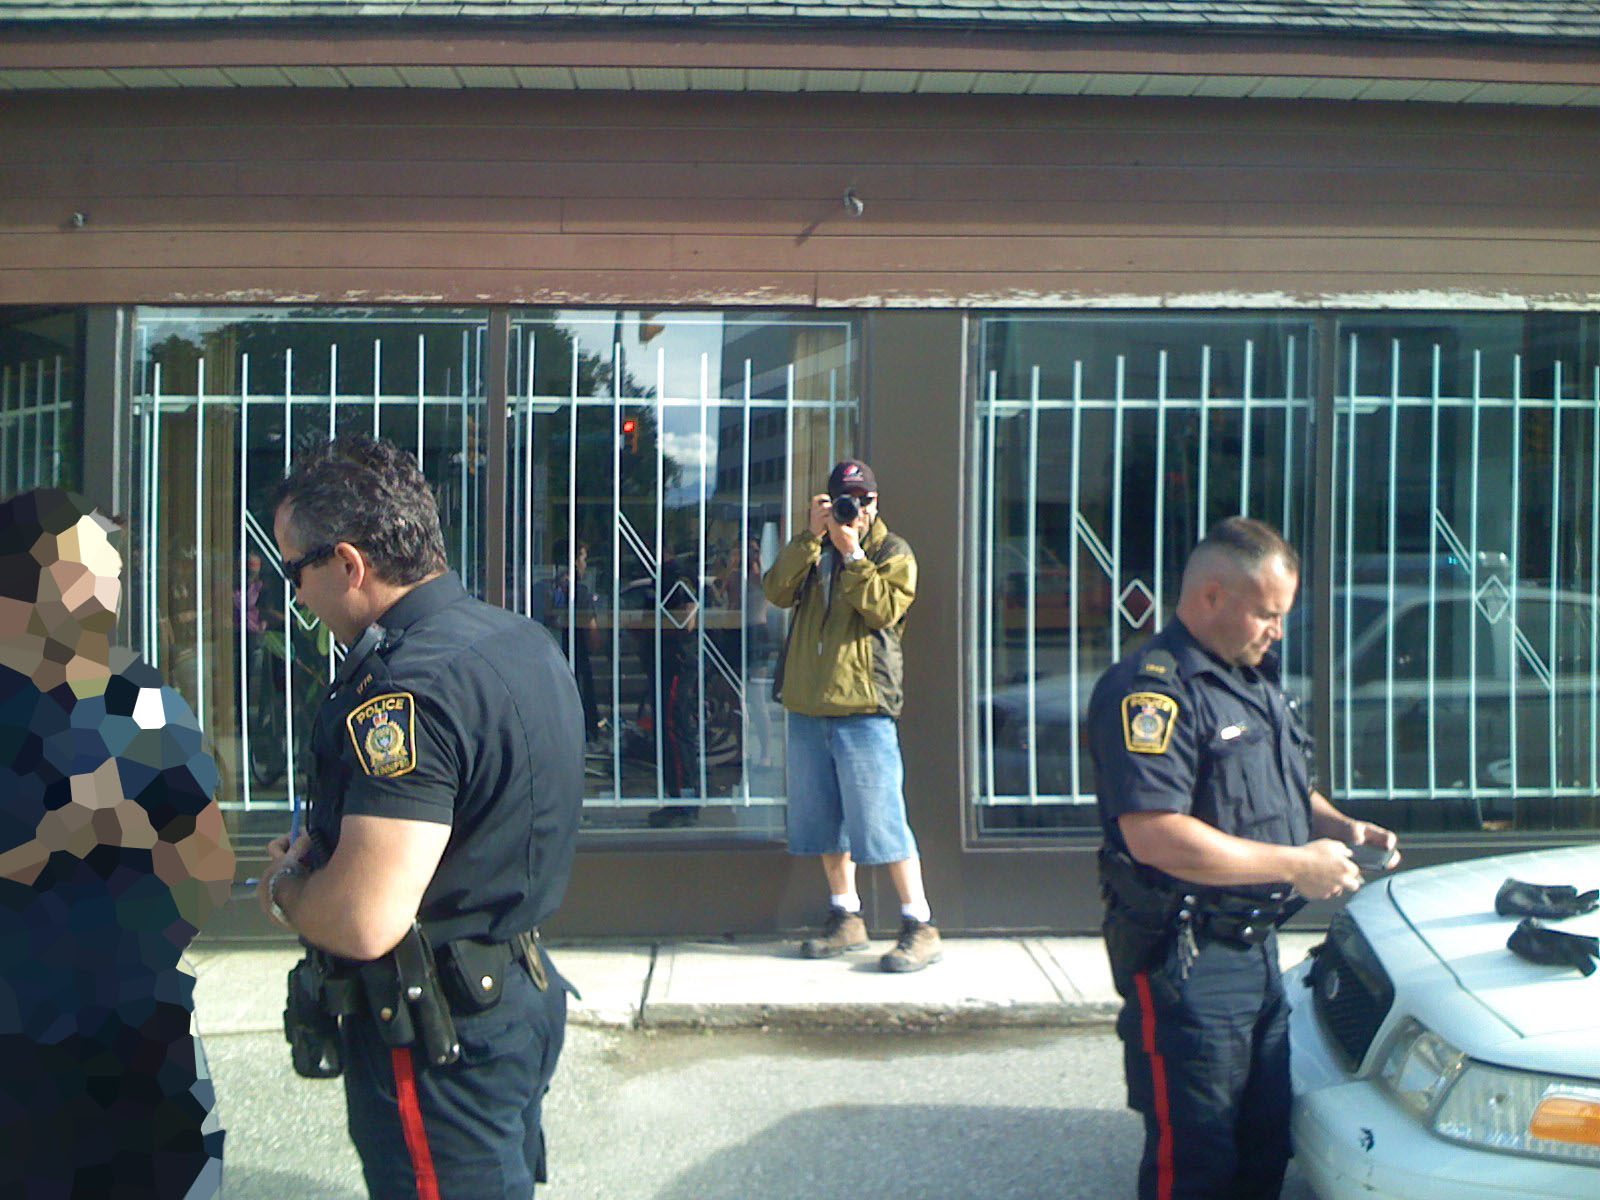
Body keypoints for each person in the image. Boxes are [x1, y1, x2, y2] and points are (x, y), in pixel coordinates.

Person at [255, 436, 585, 1200]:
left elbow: (365, 919)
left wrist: (285, 886)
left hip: (438, 1031)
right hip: (517, 992)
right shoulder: (517, 639)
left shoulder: (404, 691)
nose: (294, 595)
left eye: (294, 568)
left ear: (347, 564)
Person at [1087, 516, 1400, 1200]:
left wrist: (1341, 827)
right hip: (1188, 958)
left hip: (1257, 956)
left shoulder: (1254, 680)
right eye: (1267, 613)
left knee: (1262, 1144)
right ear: (1211, 597)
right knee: (1197, 1158)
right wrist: (1297, 866)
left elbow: (1282, 787)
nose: (1277, 632)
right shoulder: (1152, 690)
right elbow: (1155, 834)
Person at [0, 488, 234, 1199]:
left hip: (143, 1056)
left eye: (112, 564)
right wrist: (52, 842)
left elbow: (210, 869)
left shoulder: (139, 695)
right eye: (89, 562)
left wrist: (144, 837)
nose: (111, 580)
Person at [762, 459, 940, 973]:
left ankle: (919, 923)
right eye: (843, 499)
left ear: (874, 503)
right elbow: (775, 592)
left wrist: (853, 553)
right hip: (808, 705)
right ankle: (847, 915)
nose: (852, 510)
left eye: (860, 501)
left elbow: (884, 609)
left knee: (882, 820)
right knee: (822, 822)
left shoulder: (892, 551)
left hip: (864, 707)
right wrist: (808, 539)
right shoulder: (813, 548)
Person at [531, 539, 600, 744]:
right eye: (583, 559)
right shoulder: (580, 593)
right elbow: (593, 635)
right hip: (576, 660)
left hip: (546, 658)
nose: (585, 565)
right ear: (574, 561)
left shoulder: (542, 589)